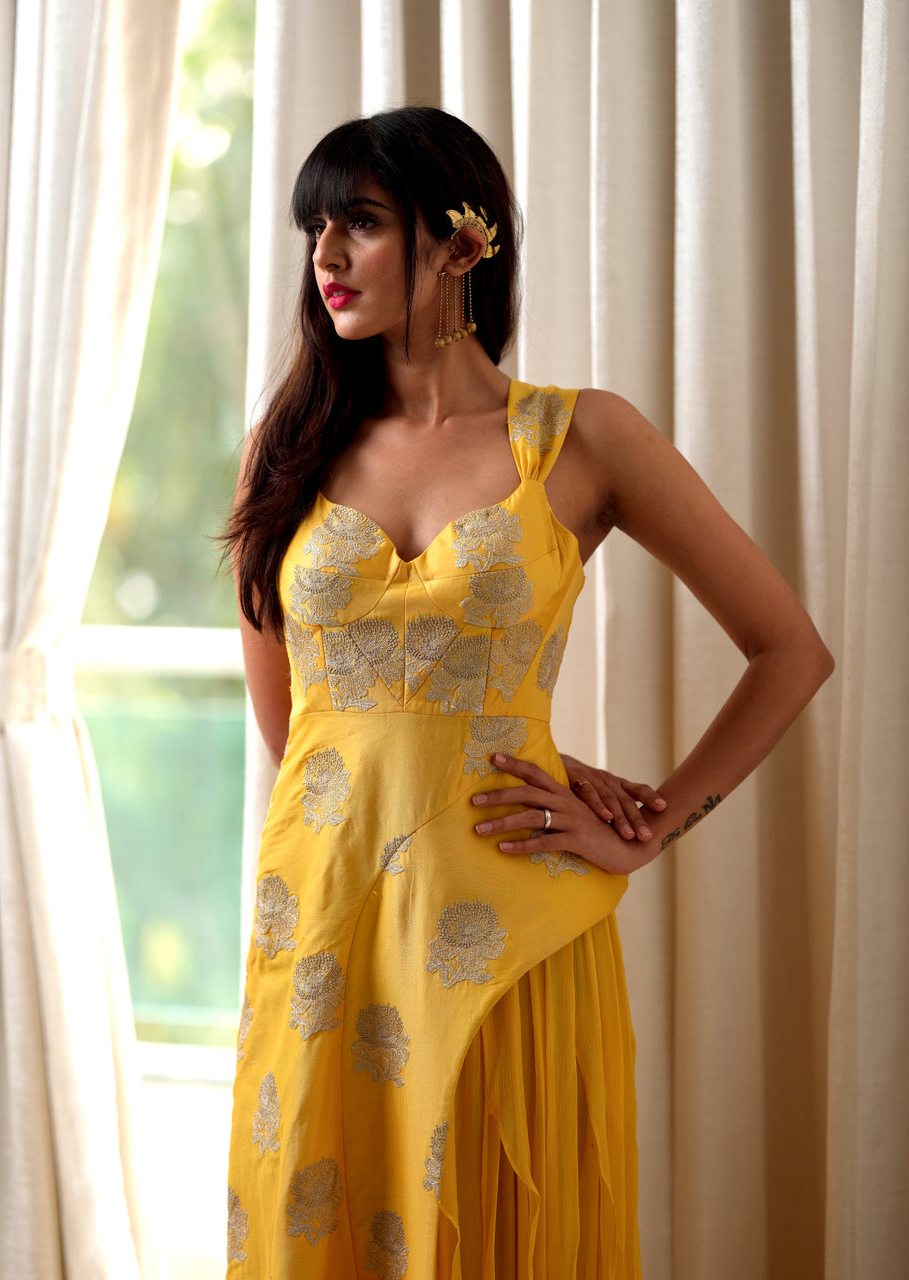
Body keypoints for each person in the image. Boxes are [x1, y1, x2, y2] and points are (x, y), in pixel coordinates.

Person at [223, 106, 832, 1279]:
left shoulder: (581, 438)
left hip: (509, 922)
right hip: (325, 928)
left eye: (360, 221)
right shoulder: (289, 443)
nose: (325, 257)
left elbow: (787, 648)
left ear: (461, 242)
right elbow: (292, 724)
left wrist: (650, 823)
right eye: (316, 228)